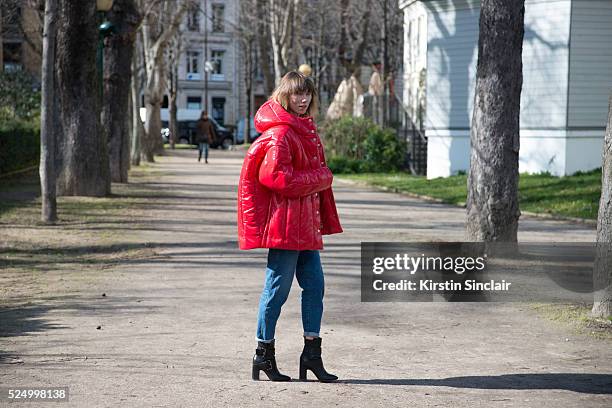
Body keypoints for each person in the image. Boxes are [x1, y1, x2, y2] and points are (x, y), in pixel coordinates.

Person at [237, 71, 343, 382]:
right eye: (297, 94)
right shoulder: (282, 133)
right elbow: (275, 178)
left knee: (315, 288)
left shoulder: (306, 130)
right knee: (277, 291)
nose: (303, 99)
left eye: (307, 94)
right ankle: (263, 355)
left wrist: (317, 181)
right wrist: (321, 178)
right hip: (285, 226)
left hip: (306, 225)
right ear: (285, 96)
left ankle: (311, 355)